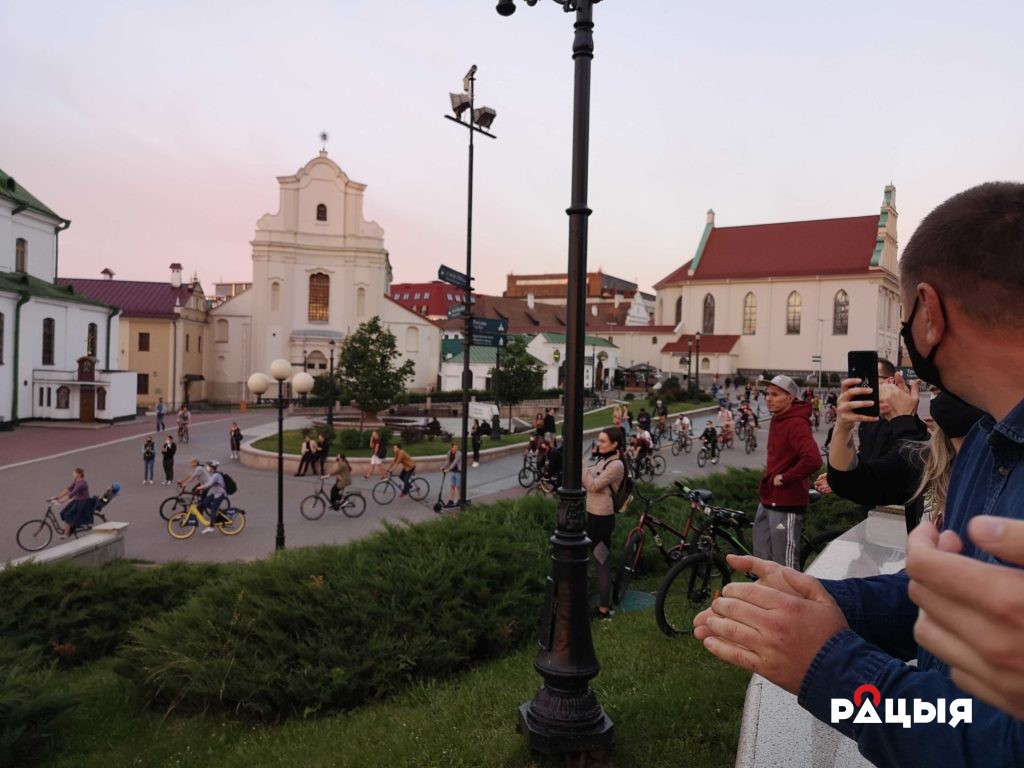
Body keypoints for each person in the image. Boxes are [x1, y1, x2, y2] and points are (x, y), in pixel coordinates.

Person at [695, 182, 1024, 766]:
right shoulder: (986, 442)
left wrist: (827, 671)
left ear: (928, 314)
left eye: (904, 317)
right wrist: (826, 600)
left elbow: (989, 741)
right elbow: (939, 599)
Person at [754, 374, 822, 568]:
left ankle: (790, 590)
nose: (769, 398)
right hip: (769, 499)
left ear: (790, 397)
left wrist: (785, 477)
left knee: (785, 566)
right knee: (762, 560)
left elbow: (813, 459)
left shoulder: (796, 423)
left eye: (775, 394)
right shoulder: (778, 418)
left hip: (786, 503)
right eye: (767, 394)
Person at [582, 427, 625, 620]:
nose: (599, 444)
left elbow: (592, 485)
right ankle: (603, 597)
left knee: (601, 562)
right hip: (592, 515)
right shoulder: (604, 460)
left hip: (601, 519)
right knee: (595, 559)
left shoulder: (616, 465)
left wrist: (581, 464)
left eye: (603, 441)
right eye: (599, 440)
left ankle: (604, 609)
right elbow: (589, 477)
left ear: (615, 444)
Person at [54, 467, 90, 537]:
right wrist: (58, 497)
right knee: (63, 512)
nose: (73, 474)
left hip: (82, 502)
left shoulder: (82, 483)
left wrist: (62, 500)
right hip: (77, 500)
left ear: (79, 474)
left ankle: (66, 534)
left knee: (68, 515)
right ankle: (71, 525)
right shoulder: (76, 481)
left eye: (74, 473)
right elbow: (69, 489)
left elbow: (72, 493)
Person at [196, 461, 227, 533]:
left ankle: (211, 527)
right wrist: (201, 487)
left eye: (208, 466)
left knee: (213, 509)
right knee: (205, 502)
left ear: (212, 467)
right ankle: (218, 511)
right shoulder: (213, 474)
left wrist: (200, 488)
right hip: (215, 493)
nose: (207, 468)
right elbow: (208, 483)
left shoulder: (216, 475)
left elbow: (209, 484)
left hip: (220, 494)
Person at [441, 441, 461, 507]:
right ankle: (451, 500)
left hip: (458, 471)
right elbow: (448, 461)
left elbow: (455, 462)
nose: (456, 448)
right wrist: (443, 467)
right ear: (451, 447)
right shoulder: (449, 453)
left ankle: (461, 499)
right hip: (452, 472)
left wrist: (449, 469)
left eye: (457, 447)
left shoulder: (459, 454)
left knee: (458, 486)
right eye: (454, 447)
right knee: (452, 486)